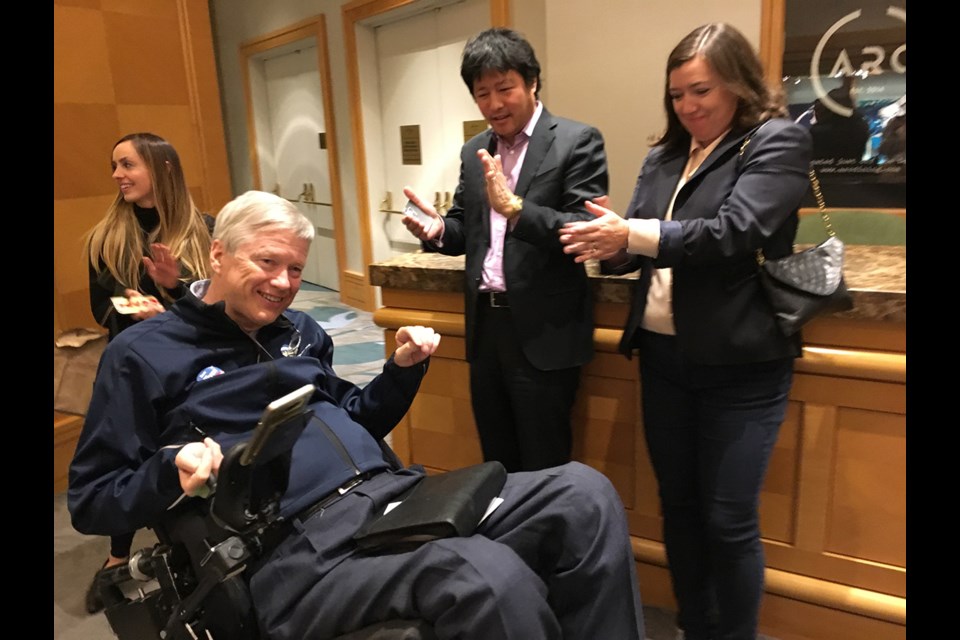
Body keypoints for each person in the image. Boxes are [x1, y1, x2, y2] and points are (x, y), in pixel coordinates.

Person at [68, 190, 646, 640]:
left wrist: (399, 371)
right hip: (292, 550)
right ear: (218, 252)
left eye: (295, 269)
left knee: (584, 494)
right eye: (267, 262)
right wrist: (170, 469)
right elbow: (92, 498)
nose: (283, 284)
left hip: (393, 498)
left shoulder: (300, 332)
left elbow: (353, 418)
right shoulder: (143, 353)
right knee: (483, 573)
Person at [559, 23, 811, 640]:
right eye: (677, 95)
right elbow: (644, 244)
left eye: (701, 91)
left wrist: (634, 234)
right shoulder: (664, 155)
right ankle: (694, 626)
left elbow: (734, 231)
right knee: (680, 508)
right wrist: (609, 246)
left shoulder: (774, 141)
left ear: (737, 83)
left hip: (743, 364)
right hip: (666, 359)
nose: (689, 106)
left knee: (728, 520)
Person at [402, 27, 608, 473]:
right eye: (482, 94)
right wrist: (437, 228)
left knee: (545, 463)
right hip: (486, 327)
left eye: (505, 89)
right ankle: (503, 544)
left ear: (532, 82)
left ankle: (546, 544)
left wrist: (516, 209)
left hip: (544, 330)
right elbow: (464, 228)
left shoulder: (577, 140)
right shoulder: (475, 151)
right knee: (495, 459)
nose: (494, 104)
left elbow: (586, 228)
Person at [81, 131, 215, 613]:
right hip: (132, 368)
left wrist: (174, 298)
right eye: (114, 165)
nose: (118, 175)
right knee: (128, 461)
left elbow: (216, 308)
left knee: (191, 458)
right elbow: (102, 310)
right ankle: (117, 560)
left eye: (128, 165)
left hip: (191, 366)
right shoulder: (106, 238)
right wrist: (135, 310)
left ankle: (196, 551)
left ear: (163, 169)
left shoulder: (205, 230)